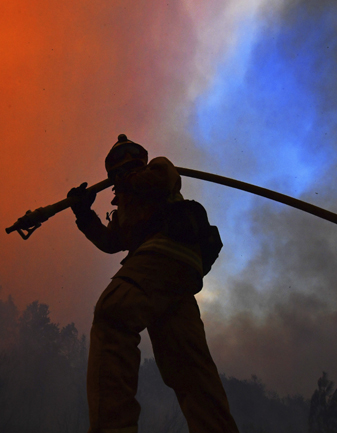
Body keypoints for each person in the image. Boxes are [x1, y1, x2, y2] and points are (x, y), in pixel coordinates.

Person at [68, 134, 239, 433]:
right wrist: (84, 213)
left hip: (165, 253)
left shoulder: (155, 172)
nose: (124, 168)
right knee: (189, 368)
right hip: (173, 280)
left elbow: (163, 178)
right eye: (118, 166)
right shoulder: (125, 206)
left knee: (114, 312)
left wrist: (127, 182)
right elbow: (111, 242)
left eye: (128, 161)